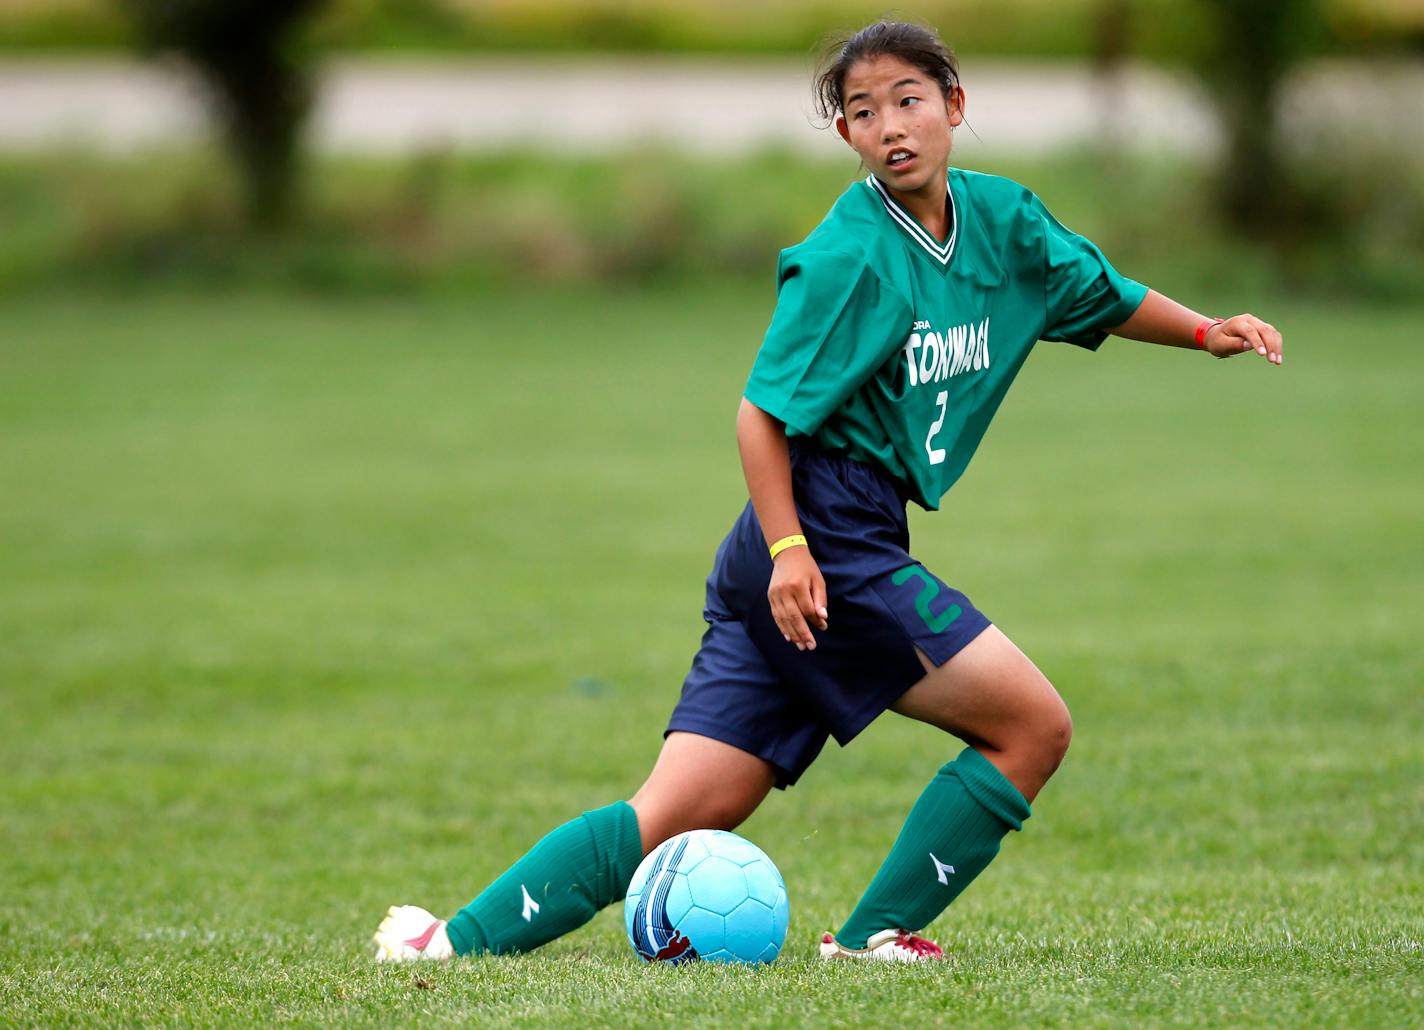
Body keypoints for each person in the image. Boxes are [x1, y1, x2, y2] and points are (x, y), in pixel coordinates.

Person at [372, 19, 1284, 964]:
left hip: (818, 545)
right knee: (1031, 727)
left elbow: (1094, 289)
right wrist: (791, 551)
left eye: (908, 100)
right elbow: (760, 419)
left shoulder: (1005, 222)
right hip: (825, 540)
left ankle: (445, 945)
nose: (890, 125)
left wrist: (1205, 330)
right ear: (846, 135)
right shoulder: (849, 255)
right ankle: (869, 940)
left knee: (682, 810)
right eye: (862, 111)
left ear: (955, 107)